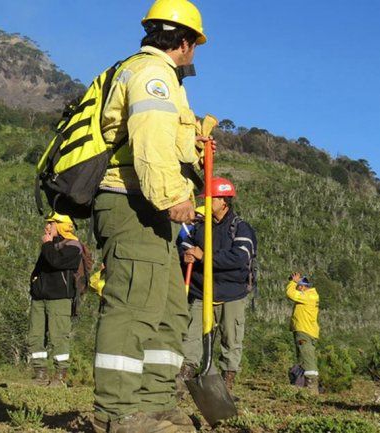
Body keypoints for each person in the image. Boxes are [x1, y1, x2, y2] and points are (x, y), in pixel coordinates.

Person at [91, 1, 211, 431]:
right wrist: (174, 196)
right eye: (194, 44)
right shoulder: (153, 75)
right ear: (184, 42)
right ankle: (117, 414)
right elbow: (150, 143)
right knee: (133, 306)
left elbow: (166, 141)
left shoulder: (152, 76)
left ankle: (155, 401)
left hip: (149, 207)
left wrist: (194, 146)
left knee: (169, 309)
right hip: (131, 202)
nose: (194, 52)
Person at [181, 178, 257, 398]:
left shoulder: (241, 228)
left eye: (211, 198)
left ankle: (226, 382)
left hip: (231, 293)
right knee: (191, 336)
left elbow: (239, 257)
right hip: (200, 291)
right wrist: (185, 254)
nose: (207, 201)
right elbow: (186, 244)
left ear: (224, 201)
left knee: (231, 339)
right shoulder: (200, 227)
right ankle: (185, 377)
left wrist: (205, 257)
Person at [28, 212, 82, 387]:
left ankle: (60, 376)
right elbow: (42, 266)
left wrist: (48, 244)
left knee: (59, 337)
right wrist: (34, 283)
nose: (47, 227)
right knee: (35, 335)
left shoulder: (73, 246)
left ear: (60, 225)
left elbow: (55, 262)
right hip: (40, 297)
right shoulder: (50, 245)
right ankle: (40, 374)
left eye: (50, 224)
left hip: (59, 299)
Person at [286, 272, 320, 394]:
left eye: (298, 286)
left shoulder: (308, 296)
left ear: (302, 287)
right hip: (306, 330)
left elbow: (290, 294)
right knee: (303, 356)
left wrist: (292, 281)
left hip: (304, 330)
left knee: (307, 356)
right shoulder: (311, 296)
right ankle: (303, 384)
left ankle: (311, 387)